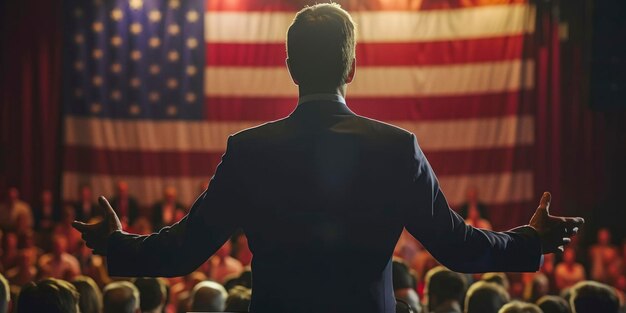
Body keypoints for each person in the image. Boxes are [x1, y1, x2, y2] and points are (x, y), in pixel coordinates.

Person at [73, 3, 584, 313]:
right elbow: (460, 248)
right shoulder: (395, 148)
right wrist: (529, 242)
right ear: (353, 68)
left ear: (290, 65)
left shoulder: (249, 151)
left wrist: (114, 243)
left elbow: (184, 251)